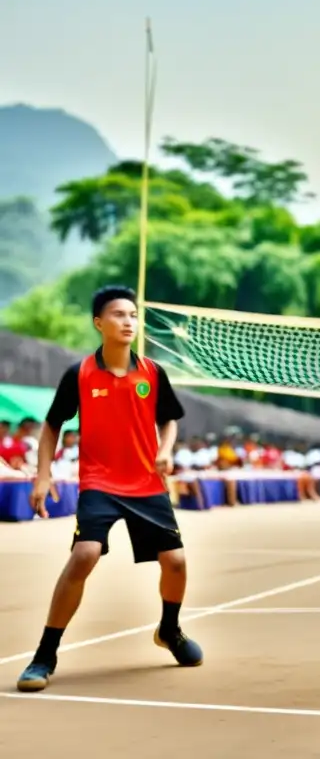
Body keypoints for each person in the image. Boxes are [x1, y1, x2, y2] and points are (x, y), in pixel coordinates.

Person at [16, 286, 203, 693]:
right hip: (100, 482)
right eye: (118, 314)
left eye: (133, 315)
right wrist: (42, 475)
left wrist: (166, 450)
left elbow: (169, 419)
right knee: (85, 554)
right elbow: (52, 426)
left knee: (176, 562)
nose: (128, 321)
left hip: (146, 483)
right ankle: (44, 655)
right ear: (99, 323)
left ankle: (170, 631)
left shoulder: (152, 373)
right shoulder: (80, 374)